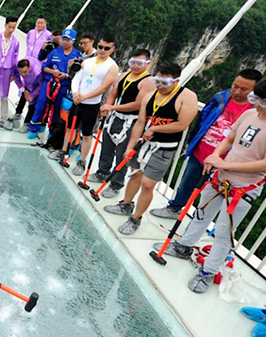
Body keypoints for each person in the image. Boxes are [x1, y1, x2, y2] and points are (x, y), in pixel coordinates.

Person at [155, 78, 266, 293]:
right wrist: (215, 155)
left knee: (224, 232)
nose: (258, 104)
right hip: (220, 176)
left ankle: (209, 271)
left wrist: (224, 162)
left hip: (245, 187)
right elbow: (230, 139)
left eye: (262, 101)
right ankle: (184, 246)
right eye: (256, 99)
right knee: (201, 214)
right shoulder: (249, 114)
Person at [150, 69, 262, 218]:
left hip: (226, 162)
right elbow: (201, 119)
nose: (237, 91)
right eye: (235, 86)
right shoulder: (220, 99)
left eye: (244, 89)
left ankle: (198, 221)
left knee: (211, 195)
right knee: (187, 184)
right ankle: (175, 208)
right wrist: (192, 141)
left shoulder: (256, 111)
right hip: (201, 151)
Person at [104, 63, 199, 235]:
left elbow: (182, 124)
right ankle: (126, 204)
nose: (160, 86)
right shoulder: (149, 97)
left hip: (164, 147)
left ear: (176, 81)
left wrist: (155, 129)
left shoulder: (187, 97)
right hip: (143, 144)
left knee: (148, 185)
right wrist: (130, 145)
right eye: (157, 81)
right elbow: (140, 122)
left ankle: (136, 218)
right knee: (135, 175)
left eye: (165, 83)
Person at [89, 49, 155, 198]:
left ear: (148, 64)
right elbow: (113, 94)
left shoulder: (148, 81)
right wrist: (107, 108)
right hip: (115, 117)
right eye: (133, 62)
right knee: (106, 145)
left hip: (132, 121)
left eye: (140, 63)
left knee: (122, 153)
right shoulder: (124, 76)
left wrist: (112, 107)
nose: (135, 66)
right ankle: (102, 172)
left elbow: (138, 104)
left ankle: (115, 184)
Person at [51, 34, 119, 173]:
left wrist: (85, 97)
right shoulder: (88, 61)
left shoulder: (112, 67)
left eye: (106, 48)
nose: (102, 50)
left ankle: (82, 161)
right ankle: (64, 151)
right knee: (70, 128)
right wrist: (75, 93)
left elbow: (104, 88)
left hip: (92, 104)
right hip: (78, 100)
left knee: (87, 133)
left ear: (112, 49)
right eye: (100, 47)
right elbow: (77, 78)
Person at [27, 28, 82, 139]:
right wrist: (53, 72)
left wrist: (66, 75)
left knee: (57, 109)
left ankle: (52, 131)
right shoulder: (55, 51)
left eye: (68, 40)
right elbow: (44, 66)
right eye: (64, 39)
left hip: (63, 86)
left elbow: (78, 75)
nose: (65, 42)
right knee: (41, 105)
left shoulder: (77, 55)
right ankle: (34, 128)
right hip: (49, 83)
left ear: (73, 41)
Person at [14, 16, 51, 122]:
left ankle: (29, 119)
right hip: (28, 60)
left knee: (33, 88)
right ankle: (18, 112)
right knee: (25, 88)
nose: (39, 25)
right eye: (38, 22)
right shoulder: (31, 32)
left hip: (38, 63)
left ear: (45, 24)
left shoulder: (48, 35)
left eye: (42, 23)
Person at [14, 58, 44, 133]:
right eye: (21, 72)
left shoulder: (37, 73)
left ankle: (27, 123)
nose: (23, 74)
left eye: (25, 72)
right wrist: (22, 88)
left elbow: (40, 85)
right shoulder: (16, 66)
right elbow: (16, 76)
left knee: (32, 105)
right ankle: (18, 113)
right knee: (23, 96)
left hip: (36, 85)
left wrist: (32, 96)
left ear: (29, 67)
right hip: (27, 83)